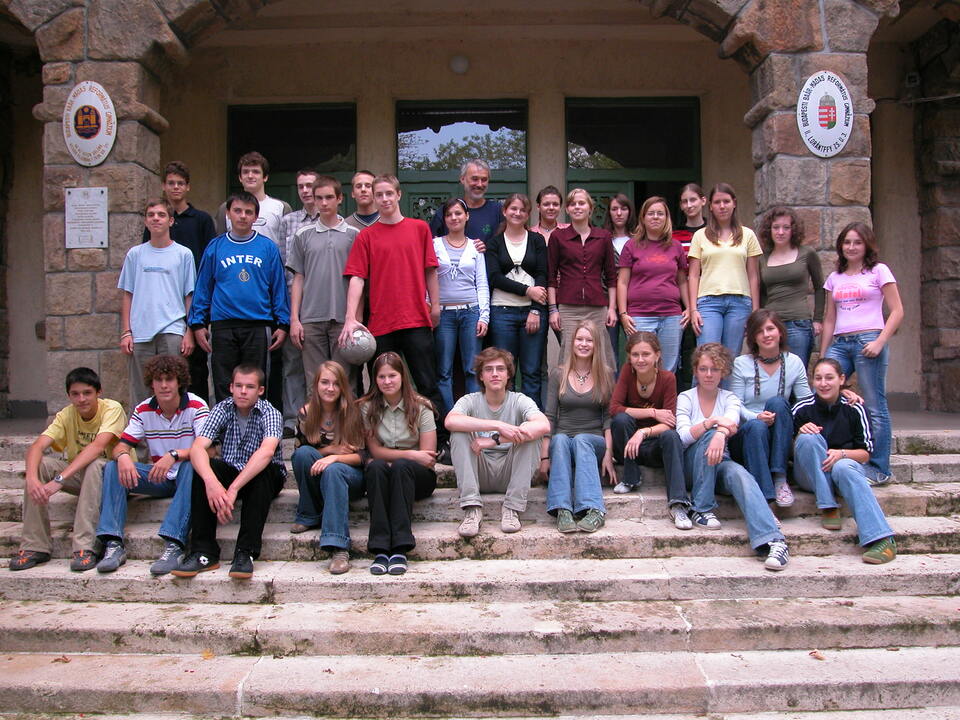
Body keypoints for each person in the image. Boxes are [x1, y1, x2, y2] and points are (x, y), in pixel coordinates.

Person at [339, 175, 448, 453]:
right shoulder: (366, 236)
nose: (385, 199)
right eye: (379, 195)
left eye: (389, 193)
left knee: (427, 383)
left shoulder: (419, 228)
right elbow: (357, 278)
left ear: (399, 195)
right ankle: (377, 443)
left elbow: (430, 270)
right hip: (380, 325)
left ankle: (441, 443)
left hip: (415, 320)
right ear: (374, 199)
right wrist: (351, 318)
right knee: (379, 388)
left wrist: (435, 306)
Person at [677, 343, 790, 571]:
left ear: (724, 372)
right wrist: (712, 424)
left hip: (720, 462)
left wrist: (720, 432)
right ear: (695, 371)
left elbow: (732, 422)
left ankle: (774, 540)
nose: (709, 374)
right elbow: (683, 437)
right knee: (709, 435)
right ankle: (701, 507)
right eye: (703, 369)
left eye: (715, 369)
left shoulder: (730, 398)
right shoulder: (686, 397)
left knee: (741, 475)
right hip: (692, 465)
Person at [94, 355, 209, 575]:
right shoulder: (143, 409)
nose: (164, 385)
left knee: (192, 465)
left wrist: (174, 455)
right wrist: (123, 456)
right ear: (151, 383)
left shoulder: (196, 406)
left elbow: (209, 449)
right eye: (158, 380)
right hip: (160, 477)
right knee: (112, 467)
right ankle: (113, 543)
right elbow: (121, 446)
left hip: (188, 477)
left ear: (179, 381)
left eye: (169, 379)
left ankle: (174, 544)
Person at [173, 364, 285, 579]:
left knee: (264, 470)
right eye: (239, 386)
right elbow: (198, 448)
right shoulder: (222, 409)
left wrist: (232, 489)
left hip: (264, 476)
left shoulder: (270, 412)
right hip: (232, 468)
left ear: (260, 390)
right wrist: (212, 483)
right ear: (231, 387)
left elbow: (266, 452)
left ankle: (245, 552)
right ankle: (203, 552)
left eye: (249, 387)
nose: (243, 391)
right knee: (204, 466)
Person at [10, 368, 126, 572]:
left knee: (96, 464)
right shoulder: (66, 414)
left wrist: (60, 479)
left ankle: (85, 547)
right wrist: (32, 479)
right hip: (82, 477)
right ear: (69, 396)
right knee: (40, 465)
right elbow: (36, 447)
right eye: (75, 394)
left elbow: (98, 446)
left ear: (99, 392)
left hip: (115, 478)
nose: (81, 399)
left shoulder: (112, 409)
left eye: (87, 393)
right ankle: (34, 546)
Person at [821, 222, 903, 485]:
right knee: (824, 394)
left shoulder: (878, 271)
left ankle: (879, 468)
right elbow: (829, 318)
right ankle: (827, 459)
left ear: (867, 245)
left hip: (869, 340)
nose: (852, 247)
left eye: (857, 242)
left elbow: (897, 311)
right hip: (840, 342)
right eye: (847, 242)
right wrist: (824, 356)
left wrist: (880, 341)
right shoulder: (835, 277)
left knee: (875, 406)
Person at [792, 358, 897, 564]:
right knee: (807, 438)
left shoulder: (855, 408)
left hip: (841, 475)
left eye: (829, 378)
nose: (823, 383)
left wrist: (841, 454)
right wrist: (799, 434)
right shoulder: (801, 408)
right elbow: (787, 450)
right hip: (810, 476)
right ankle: (828, 506)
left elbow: (865, 454)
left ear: (841, 379)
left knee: (844, 466)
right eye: (818, 378)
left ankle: (882, 539)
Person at [188, 191, 290, 403]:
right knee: (224, 383)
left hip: (258, 325)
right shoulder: (215, 247)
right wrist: (197, 323)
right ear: (228, 213)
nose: (243, 216)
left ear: (256, 216)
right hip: (223, 325)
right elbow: (203, 287)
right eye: (237, 211)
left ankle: (256, 423)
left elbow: (278, 287)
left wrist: (283, 323)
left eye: (248, 212)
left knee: (256, 383)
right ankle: (226, 424)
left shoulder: (267, 247)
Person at [446, 347, 550, 537]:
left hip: (511, 473)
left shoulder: (519, 400)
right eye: (489, 369)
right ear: (481, 376)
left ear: (508, 374)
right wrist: (498, 425)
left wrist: (495, 439)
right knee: (458, 433)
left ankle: (512, 508)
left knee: (532, 435)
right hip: (479, 471)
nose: (495, 374)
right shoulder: (470, 400)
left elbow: (543, 425)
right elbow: (450, 421)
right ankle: (472, 509)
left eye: (500, 369)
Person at [142, 161, 217, 403]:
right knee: (163, 371)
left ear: (188, 187)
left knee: (196, 366)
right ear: (164, 186)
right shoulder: (156, 221)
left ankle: (198, 414)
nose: (176, 187)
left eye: (180, 183)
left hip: (195, 299)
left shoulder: (202, 220)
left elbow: (210, 259)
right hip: (165, 302)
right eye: (171, 183)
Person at [361, 352, 438, 576]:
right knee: (375, 467)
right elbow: (375, 451)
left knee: (401, 466)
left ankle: (400, 548)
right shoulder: (367, 408)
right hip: (387, 471)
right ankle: (380, 548)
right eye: (381, 377)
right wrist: (411, 455)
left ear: (402, 376)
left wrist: (403, 459)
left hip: (417, 477)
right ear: (375, 380)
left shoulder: (422, 407)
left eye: (392, 375)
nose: (387, 381)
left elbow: (428, 458)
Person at [729, 310, 812, 508]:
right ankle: (765, 498)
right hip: (748, 433)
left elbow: (806, 402)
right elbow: (734, 404)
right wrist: (756, 416)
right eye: (759, 331)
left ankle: (780, 478)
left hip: (779, 432)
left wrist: (843, 393)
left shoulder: (794, 362)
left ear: (780, 332)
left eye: (770, 329)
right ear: (753, 337)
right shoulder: (741, 364)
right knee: (757, 427)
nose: (766, 335)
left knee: (779, 403)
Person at [609, 332, 691, 529]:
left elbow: (670, 422)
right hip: (628, 447)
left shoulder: (667, 378)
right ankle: (630, 478)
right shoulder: (627, 372)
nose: (640, 359)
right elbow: (615, 408)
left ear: (657, 355)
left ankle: (678, 504)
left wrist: (643, 432)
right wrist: (653, 412)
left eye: (646, 354)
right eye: (635, 354)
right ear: (629, 356)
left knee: (671, 436)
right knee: (621, 420)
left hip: (653, 446)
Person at [119, 198, 196, 407]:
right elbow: (127, 294)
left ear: (170, 221)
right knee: (141, 392)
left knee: (174, 388)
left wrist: (189, 331)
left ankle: (176, 427)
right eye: (151, 215)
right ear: (145, 221)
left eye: (161, 215)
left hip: (172, 330)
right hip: (140, 332)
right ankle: (140, 429)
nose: (156, 219)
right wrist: (126, 332)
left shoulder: (183, 254)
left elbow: (189, 296)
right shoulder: (135, 254)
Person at [290, 361, 365, 574]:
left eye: (336, 383)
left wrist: (335, 459)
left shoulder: (354, 412)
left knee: (333, 470)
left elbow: (363, 457)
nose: (330, 388)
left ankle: (339, 546)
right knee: (303, 454)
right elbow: (300, 453)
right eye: (325, 382)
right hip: (320, 475)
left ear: (342, 387)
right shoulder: (306, 414)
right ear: (316, 385)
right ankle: (309, 513)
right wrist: (331, 450)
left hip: (352, 478)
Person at [542, 321, 615, 533]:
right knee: (560, 439)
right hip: (564, 444)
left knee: (582, 439)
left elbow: (608, 419)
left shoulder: (606, 373)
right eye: (579, 339)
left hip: (593, 442)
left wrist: (608, 454)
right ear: (572, 342)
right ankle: (563, 510)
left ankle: (594, 509)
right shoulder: (558, 374)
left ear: (596, 345)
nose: (583, 344)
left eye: (589, 340)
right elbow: (550, 417)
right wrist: (544, 457)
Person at [288, 176, 359, 392]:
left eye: (329, 197)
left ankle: (347, 418)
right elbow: (298, 278)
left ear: (340, 198)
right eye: (319, 198)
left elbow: (359, 280)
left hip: (343, 320)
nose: (324, 203)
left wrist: (355, 319)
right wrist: (294, 319)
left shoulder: (354, 235)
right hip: (310, 319)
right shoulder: (303, 235)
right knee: (315, 384)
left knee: (345, 383)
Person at [484, 194, 548, 408]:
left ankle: (532, 419)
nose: (517, 213)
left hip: (532, 313)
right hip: (502, 312)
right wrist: (527, 290)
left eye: (522, 210)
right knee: (505, 372)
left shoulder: (537, 240)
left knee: (531, 372)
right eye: (513, 208)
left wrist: (536, 310)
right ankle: (506, 420)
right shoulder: (494, 243)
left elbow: (542, 274)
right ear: (505, 211)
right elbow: (494, 277)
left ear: (528, 214)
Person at [687, 183, 761, 361]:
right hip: (708, 302)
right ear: (710, 206)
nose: (722, 206)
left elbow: (753, 276)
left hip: (740, 302)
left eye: (726, 201)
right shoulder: (700, 235)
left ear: (734, 203)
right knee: (706, 356)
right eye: (717, 202)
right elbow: (694, 275)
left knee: (730, 358)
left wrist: (755, 311)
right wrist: (693, 309)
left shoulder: (748, 235)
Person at [617, 196, 689, 374]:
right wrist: (623, 314)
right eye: (651, 213)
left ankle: (664, 395)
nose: (655, 217)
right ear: (643, 217)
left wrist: (689, 308)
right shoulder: (631, 246)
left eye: (660, 213)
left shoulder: (676, 246)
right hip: (640, 316)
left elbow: (682, 280)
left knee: (668, 368)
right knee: (641, 366)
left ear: (666, 218)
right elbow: (622, 282)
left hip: (671, 315)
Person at [547, 188, 617, 368]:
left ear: (590, 208)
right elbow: (551, 277)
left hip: (597, 307)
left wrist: (612, 308)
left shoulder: (603, 237)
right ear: (567, 209)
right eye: (572, 204)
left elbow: (611, 276)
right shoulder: (558, 237)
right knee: (569, 356)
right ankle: (568, 388)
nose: (577, 207)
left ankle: (600, 388)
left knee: (599, 356)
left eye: (581, 203)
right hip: (568, 308)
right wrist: (553, 309)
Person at [433, 198, 490, 414]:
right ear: (444, 219)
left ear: (467, 216)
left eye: (458, 213)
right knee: (443, 371)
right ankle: (451, 420)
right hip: (444, 315)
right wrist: (431, 308)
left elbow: (482, 283)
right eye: (449, 214)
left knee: (472, 370)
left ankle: (473, 419)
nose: (454, 218)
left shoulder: (475, 247)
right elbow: (429, 279)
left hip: (470, 312)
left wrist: (484, 316)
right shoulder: (434, 245)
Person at [277, 168, 320, 437]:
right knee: (292, 362)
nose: (305, 191)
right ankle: (293, 419)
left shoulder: (332, 219)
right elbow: (284, 265)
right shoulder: (288, 221)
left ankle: (318, 416)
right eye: (301, 186)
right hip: (293, 301)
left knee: (318, 364)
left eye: (310, 185)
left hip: (320, 302)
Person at [758, 206, 824, 368]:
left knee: (795, 373)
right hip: (771, 325)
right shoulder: (762, 258)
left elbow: (820, 288)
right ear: (769, 230)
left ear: (793, 230)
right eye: (776, 227)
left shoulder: (806, 253)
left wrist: (817, 319)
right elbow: (761, 294)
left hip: (798, 323)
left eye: (786, 227)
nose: (780, 232)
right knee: (771, 373)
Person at [214, 151, 292, 248]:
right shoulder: (225, 208)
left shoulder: (282, 207)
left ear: (265, 177)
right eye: (245, 172)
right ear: (240, 178)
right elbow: (220, 245)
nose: (250, 176)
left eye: (256, 172)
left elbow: (289, 246)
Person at [673, 183, 707, 392]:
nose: (689, 205)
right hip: (680, 300)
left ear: (703, 201)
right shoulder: (674, 235)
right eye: (685, 201)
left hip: (708, 296)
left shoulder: (714, 232)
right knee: (683, 350)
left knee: (704, 349)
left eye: (693, 199)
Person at [429, 159, 503, 244]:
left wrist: (488, 249)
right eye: (474, 179)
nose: (479, 184)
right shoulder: (447, 211)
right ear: (462, 179)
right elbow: (430, 243)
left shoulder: (498, 211)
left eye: (484, 180)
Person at [603, 193, 637, 361]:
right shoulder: (602, 238)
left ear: (630, 212)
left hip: (634, 300)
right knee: (609, 353)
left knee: (637, 347)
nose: (619, 213)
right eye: (614, 209)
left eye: (623, 209)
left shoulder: (639, 239)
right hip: (606, 300)